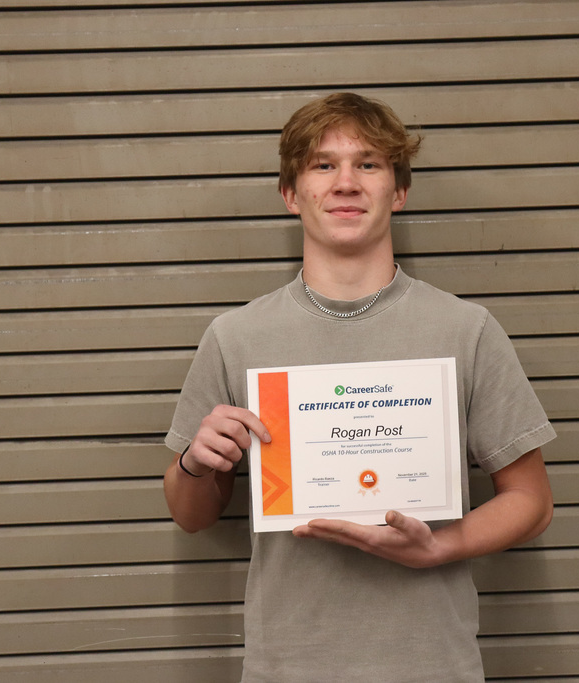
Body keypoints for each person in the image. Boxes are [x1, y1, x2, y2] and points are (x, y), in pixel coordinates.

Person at [163, 92, 555, 682]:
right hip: (287, 670)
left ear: (399, 191)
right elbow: (191, 516)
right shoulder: (235, 337)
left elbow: (532, 501)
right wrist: (196, 463)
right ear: (291, 194)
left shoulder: (465, 329)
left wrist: (441, 546)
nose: (346, 182)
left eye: (368, 164)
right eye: (323, 165)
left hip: (434, 667)